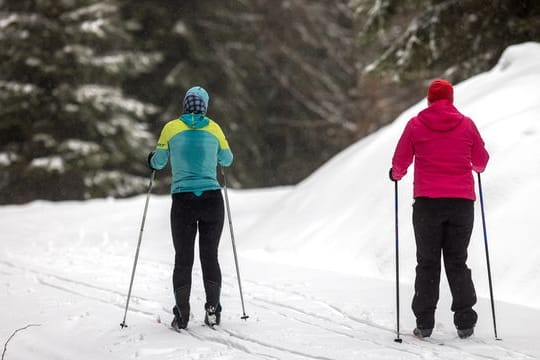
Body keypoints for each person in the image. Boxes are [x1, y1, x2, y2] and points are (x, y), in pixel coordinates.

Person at [390, 79, 489, 339]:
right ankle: (465, 321)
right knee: (457, 261)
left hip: (427, 205)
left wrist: (396, 174)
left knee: (428, 263)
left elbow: (400, 161)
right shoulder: (466, 124)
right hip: (461, 204)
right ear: (451, 99)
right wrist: (475, 167)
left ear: (429, 100)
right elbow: (481, 161)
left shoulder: (415, 125)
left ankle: (424, 323)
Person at [148, 86, 233, 331]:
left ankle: (182, 315)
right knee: (210, 256)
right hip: (212, 199)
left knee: (183, 259)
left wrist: (151, 158)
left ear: (185, 104)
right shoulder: (214, 128)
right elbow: (227, 159)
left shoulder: (171, 128)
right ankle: (213, 311)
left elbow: (159, 162)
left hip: (183, 201)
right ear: (204, 106)